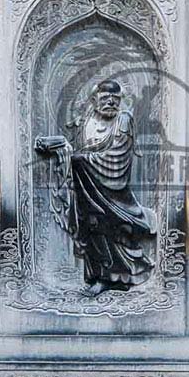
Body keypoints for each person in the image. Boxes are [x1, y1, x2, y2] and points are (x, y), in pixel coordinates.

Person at [35, 79, 156, 296]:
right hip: (85, 188)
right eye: (104, 98)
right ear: (94, 100)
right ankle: (97, 276)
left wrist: (78, 159)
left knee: (111, 230)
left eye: (115, 99)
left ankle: (117, 277)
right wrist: (59, 146)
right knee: (91, 228)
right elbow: (76, 149)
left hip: (112, 191)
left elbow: (117, 158)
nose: (110, 102)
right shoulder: (85, 121)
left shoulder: (123, 120)